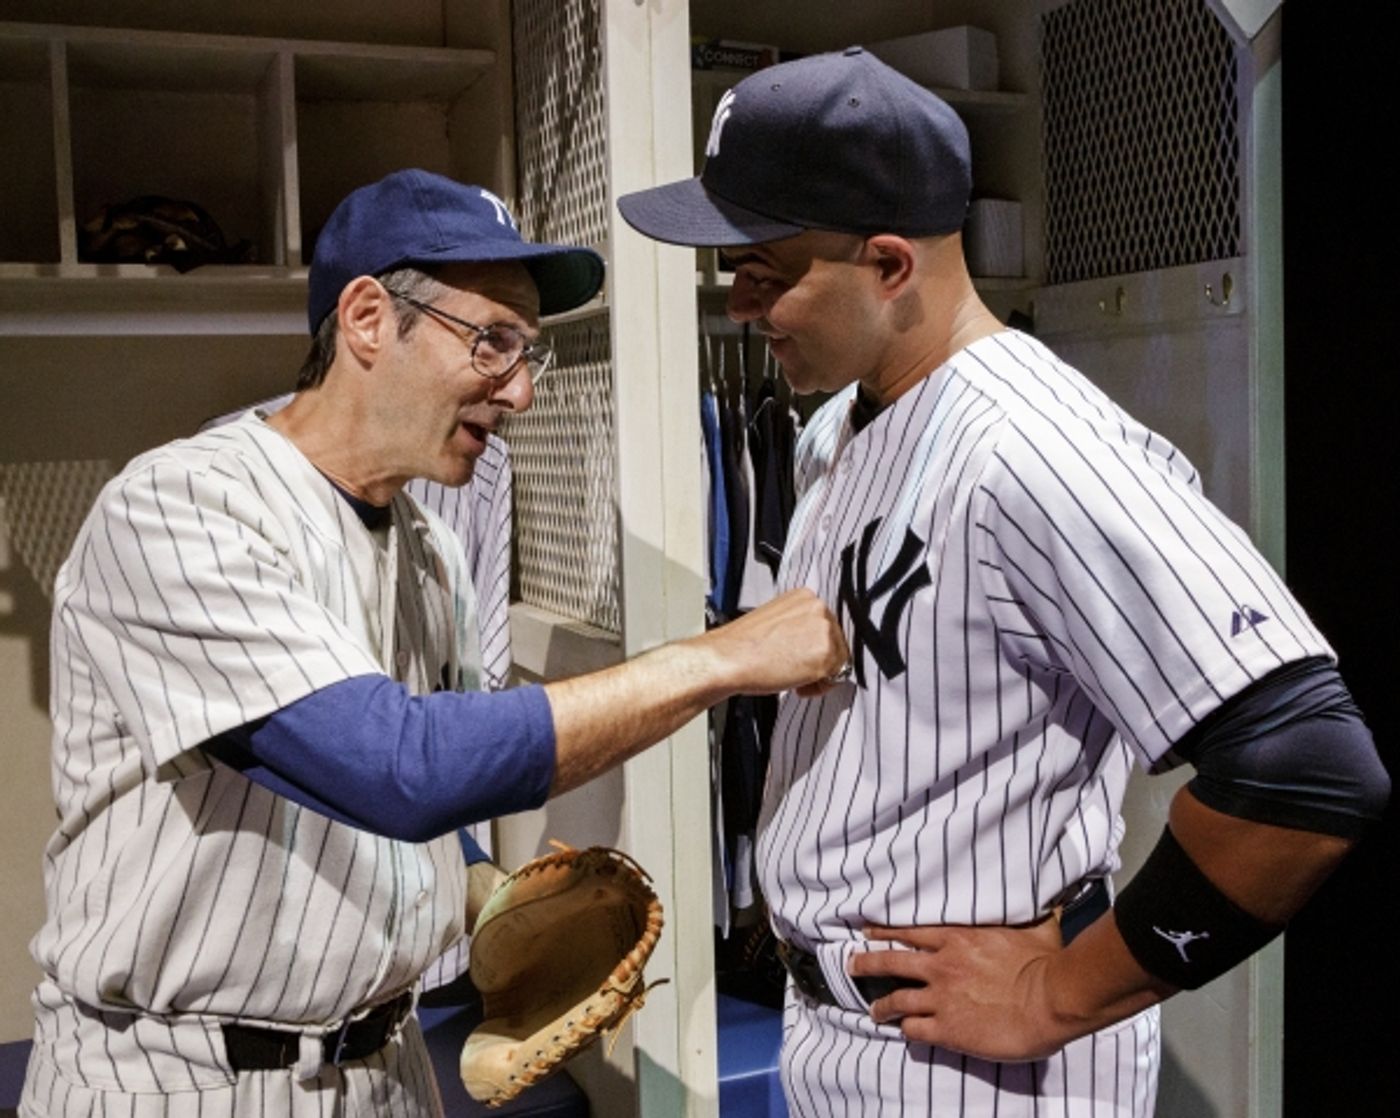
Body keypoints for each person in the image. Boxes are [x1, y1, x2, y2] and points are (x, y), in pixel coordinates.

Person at [617, 47, 1389, 1116]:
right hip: (844, 1033)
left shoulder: (1034, 450)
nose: (742, 305)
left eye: (765, 270)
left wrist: (1055, 995)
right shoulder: (836, 427)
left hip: (984, 1071)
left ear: (892, 265)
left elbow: (1306, 766)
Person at [18, 168, 848, 1118]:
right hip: (186, 1080)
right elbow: (398, 768)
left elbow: (401, 802)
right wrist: (722, 657)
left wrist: (486, 894)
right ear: (369, 319)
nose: (520, 392)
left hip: (387, 1066)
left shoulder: (431, 549)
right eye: (493, 341)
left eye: (528, 352)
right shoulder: (181, 510)